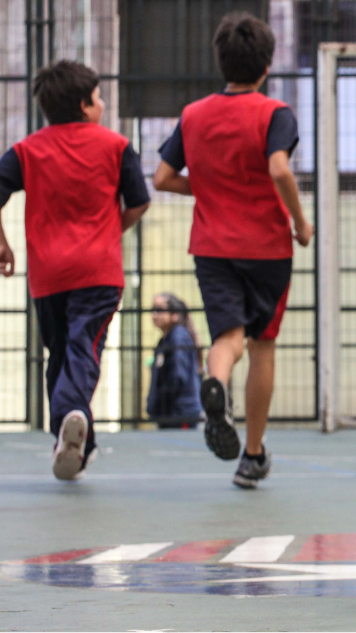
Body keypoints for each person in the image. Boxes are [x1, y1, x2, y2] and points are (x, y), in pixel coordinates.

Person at [153, 12, 313, 490]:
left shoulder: (193, 115)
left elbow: (162, 178)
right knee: (263, 345)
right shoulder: (275, 114)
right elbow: (279, 169)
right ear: (266, 66)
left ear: (221, 62)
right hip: (267, 247)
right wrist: (300, 221)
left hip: (212, 246)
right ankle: (253, 455)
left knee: (228, 337)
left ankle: (216, 386)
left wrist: (206, 187)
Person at [0, 60, 150, 480]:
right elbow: (139, 201)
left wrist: (3, 242)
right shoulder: (116, 146)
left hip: (48, 276)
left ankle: (77, 445)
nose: (101, 104)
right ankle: (72, 414)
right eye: (98, 98)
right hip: (98, 272)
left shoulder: (26, 151)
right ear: (85, 105)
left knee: (61, 355)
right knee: (84, 347)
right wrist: (111, 230)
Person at [147, 293, 205, 427]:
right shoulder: (166, 339)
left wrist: (160, 403)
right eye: (153, 309)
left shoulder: (178, 337)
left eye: (159, 310)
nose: (154, 315)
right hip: (172, 414)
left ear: (175, 314)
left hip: (179, 414)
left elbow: (178, 376)